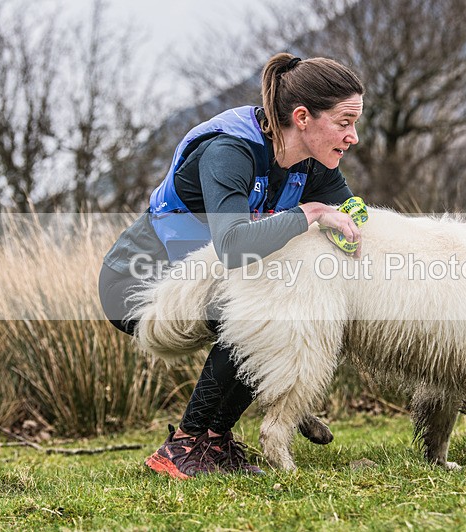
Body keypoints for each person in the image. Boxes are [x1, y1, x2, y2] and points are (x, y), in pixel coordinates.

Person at [98, 53, 365, 478]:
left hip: (201, 283)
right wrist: (307, 215)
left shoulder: (314, 163)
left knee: (270, 302)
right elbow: (233, 248)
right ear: (302, 117)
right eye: (344, 122)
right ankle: (182, 447)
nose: (353, 137)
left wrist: (457, 239)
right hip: (136, 284)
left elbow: (356, 219)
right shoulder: (230, 151)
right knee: (255, 309)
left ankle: (216, 445)